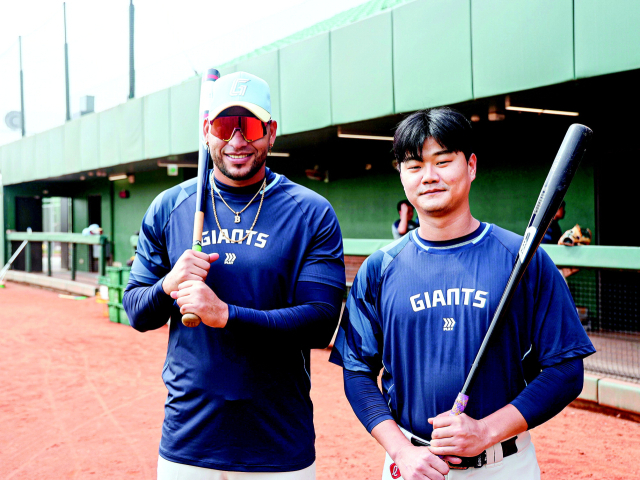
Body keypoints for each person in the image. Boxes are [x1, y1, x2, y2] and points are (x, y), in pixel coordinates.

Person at [329, 107, 595, 480]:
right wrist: (401, 450)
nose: (430, 176)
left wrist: (485, 430)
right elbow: (357, 371)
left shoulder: (522, 260)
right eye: (415, 165)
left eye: (443, 161)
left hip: (502, 465)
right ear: (401, 175)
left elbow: (566, 369)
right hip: (410, 465)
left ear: (470, 166)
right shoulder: (380, 268)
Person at [123, 71, 345, 479]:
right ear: (208, 130)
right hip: (189, 440)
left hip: (278, 442)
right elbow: (137, 311)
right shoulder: (171, 206)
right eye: (226, 126)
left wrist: (226, 314)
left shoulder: (311, 212)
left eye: (251, 126)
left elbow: (320, 322)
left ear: (272, 132)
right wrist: (168, 285)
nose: (237, 141)